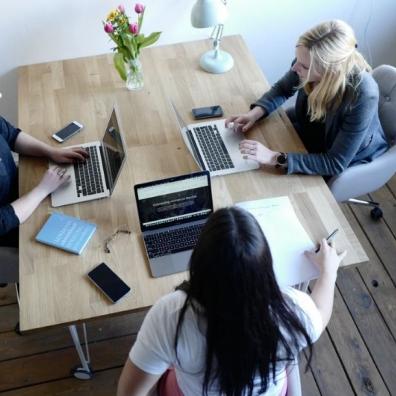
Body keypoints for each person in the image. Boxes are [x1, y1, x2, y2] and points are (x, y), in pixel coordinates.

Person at [117, 207, 346, 396]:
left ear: (199, 263)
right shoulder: (293, 311)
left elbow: (129, 392)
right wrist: (329, 272)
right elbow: (320, 311)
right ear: (265, 266)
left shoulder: (170, 315)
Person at [226, 20, 389, 176]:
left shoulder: (362, 95)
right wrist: (254, 114)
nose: (295, 67)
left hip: (343, 157)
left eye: (304, 66)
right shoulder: (306, 60)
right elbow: (283, 89)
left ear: (330, 71)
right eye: (297, 59)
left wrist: (273, 157)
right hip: (311, 130)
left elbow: (335, 162)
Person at [0, 116, 88, 284]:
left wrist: (51, 151)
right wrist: (43, 189)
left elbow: (11, 135)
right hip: (13, 229)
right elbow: (2, 221)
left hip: (24, 192)